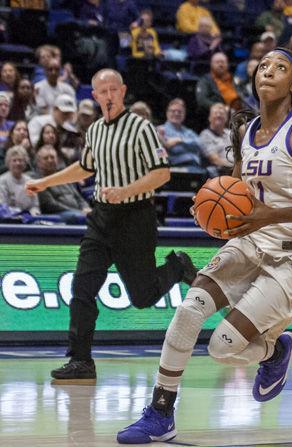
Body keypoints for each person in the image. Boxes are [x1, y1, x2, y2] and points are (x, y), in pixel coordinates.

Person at [116, 47, 292, 444]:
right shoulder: (245, 130)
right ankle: (160, 411)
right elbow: (236, 192)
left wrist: (268, 215)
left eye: (281, 67)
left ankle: (273, 352)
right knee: (189, 310)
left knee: (223, 348)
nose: (269, 71)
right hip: (251, 241)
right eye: (264, 65)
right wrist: (211, 207)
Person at [25, 69, 197, 381]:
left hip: (136, 217)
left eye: (113, 89)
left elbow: (162, 173)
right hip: (101, 218)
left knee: (142, 297)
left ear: (123, 91)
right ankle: (80, 360)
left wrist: (125, 191)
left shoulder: (141, 127)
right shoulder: (93, 131)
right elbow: (84, 169)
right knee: (82, 288)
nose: (107, 95)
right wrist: (43, 182)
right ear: (93, 96)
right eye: (101, 91)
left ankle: (177, 264)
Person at [33, 144, 91, 223]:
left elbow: (78, 198)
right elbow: (50, 205)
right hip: (59, 215)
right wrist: (79, 212)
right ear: (39, 162)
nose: (50, 160)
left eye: (52, 157)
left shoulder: (63, 177)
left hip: (78, 212)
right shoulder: (39, 181)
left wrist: (85, 208)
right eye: (46, 158)